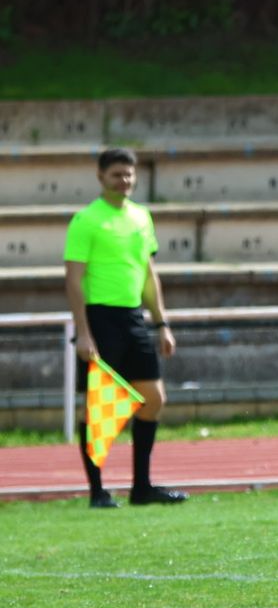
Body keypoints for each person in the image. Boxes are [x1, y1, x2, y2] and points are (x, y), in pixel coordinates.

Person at [62, 148, 187, 508]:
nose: (125, 181)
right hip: (100, 318)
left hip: (134, 318)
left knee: (153, 398)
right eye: (117, 174)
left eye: (129, 174)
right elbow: (73, 280)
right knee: (100, 406)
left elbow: (148, 274)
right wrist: (83, 331)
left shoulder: (142, 217)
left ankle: (142, 488)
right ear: (100, 177)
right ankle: (98, 491)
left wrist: (162, 323)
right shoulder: (86, 220)